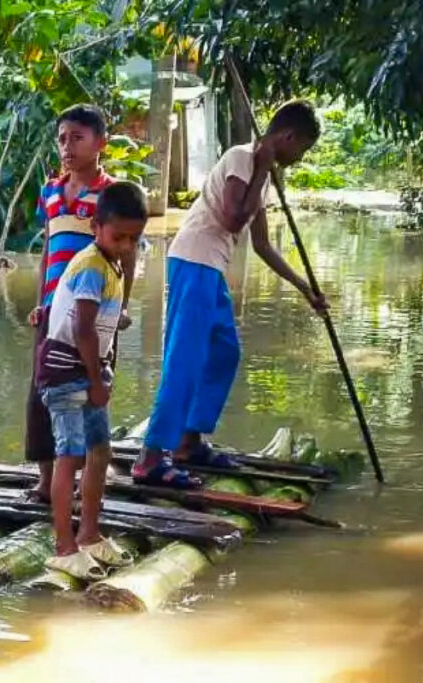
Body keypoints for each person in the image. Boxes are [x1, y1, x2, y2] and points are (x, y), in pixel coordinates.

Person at [132, 100, 327, 488]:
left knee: (224, 352)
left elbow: (262, 245)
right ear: (286, 137)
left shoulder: (261, 174)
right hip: (194, 261)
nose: (298, 158)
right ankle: (150, 458)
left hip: (211, 269)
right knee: (184, 361)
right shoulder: (242, 158)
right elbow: (232, 217)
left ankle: (188, 443)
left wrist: (305, 287)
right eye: (300, 149)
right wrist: (261, 168)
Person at [36, 181, 147, 580]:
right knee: (70, 455)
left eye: (135, 239)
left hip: (92, 371)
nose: (127, 246)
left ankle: (90, 534)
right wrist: (97, 380)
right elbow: (83, 329)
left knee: (100, 452)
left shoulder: (112, 264)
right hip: (67, 372)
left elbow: (100, 326)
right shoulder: (88, 266)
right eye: (119, 237)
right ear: (96, 227)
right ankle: (64, 547)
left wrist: (102, 374)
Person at [25, 104, 135, 503]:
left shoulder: (112, 194)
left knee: (92, 390)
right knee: (43, 392)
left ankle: (88, 481)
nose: (67, 147)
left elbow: (127, 253)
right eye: (62, 139)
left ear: (100, 143)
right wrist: (42, 301)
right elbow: (49, 250)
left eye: (77, 138)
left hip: (98, 310)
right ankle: (45, 480)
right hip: (54, 312)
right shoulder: (50, 191)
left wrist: (122, 306)